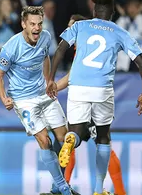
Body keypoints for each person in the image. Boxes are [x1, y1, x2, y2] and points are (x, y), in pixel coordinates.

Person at [46, 0, 142, 195]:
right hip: (101, 92)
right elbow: (141, 63)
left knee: (72, 136)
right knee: (104, 140)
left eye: (70, 25)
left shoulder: (80, 39)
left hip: (79, 92)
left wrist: (51, 82)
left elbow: (63, 60)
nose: (69, 28)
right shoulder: (115, 32)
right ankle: (100, 189)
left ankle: (63, 187)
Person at [0, 6, 77, 195]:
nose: (37, 28)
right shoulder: (11, 47)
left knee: (65, 140)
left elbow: (45, 57)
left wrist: (48, 81)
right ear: (23, 24)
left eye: (39, 23)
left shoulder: (46, 37)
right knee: (44, 141)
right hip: (23, 100)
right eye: (32, 24)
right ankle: (63, 187)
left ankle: (57, 185)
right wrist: (3, 97)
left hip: (43, 94)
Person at [51, 15, 126, 195]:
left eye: (72, 28)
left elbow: (70, 78)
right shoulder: (88, 46)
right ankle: (117, 192)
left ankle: (64, 187)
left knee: (77, 141)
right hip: (97, 101)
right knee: (102, 143)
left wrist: (52, 87)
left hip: (85, 103)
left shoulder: (82, 49)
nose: (68, 32)